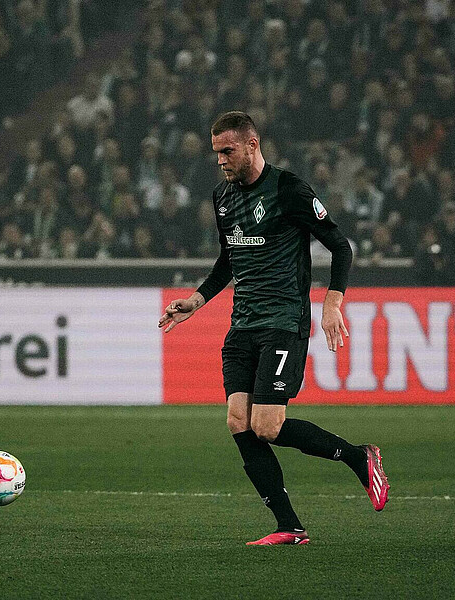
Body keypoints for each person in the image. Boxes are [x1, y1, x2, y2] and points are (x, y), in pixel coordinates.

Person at [159, 112, 388, 546]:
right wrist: (197, 300)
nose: (221, 161)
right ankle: (289, 526)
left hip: (284, 322)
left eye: (227, 151)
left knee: (266, 425)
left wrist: (332, 303)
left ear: (252, 144)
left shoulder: (289, 190)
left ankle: (360, 458)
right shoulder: (222, 198)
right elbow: (229, 260)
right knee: (237, 422)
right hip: (242, 323)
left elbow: (340, 246)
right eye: (216, 153)